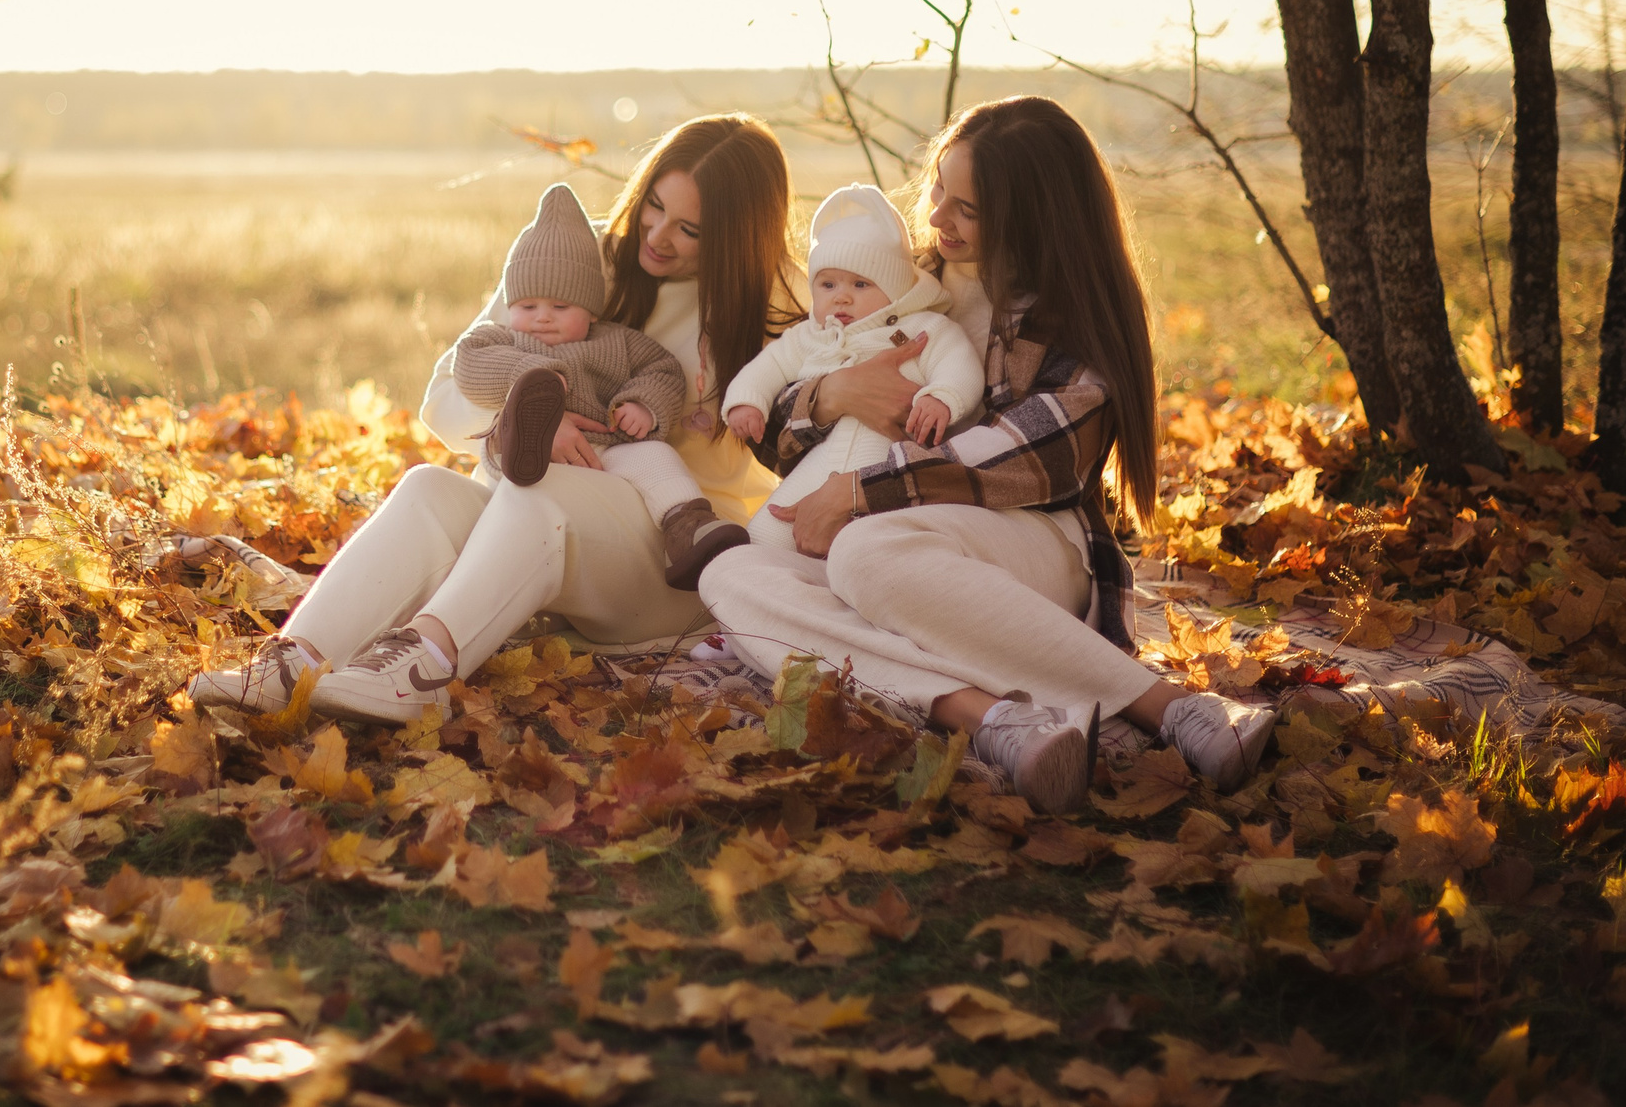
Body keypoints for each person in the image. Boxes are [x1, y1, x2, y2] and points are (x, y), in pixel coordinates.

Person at [699, 97, 1274, 814]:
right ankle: (996, 720)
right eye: (938, 188)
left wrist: (858, 491)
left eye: (965, 207)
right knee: (732, 571)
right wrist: (835, 393)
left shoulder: (1066, 313)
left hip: (1028, 538)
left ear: (1030, 218)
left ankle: (1174, 709)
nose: (936, 218)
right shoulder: (909, 283)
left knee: (862, 552)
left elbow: (1023, 455)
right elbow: (777, 431)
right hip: (898, 531)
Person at [191, 114, 798, 725]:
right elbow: (445, 394)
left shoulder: (777, 305)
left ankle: (424, 665)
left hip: (672, 562)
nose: (658, 235)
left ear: (735, 238)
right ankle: (294, 662)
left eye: (689, 229)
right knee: (429, 487)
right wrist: (532, 414)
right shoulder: (572, 257)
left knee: (544, 495)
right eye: (654, 205)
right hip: (528, 520)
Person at [449, 184, 748, 572]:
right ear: (509, 307)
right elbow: (468, 361)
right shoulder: (504, 339)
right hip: (533, 449)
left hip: (608, 449)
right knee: (512, 460)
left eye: (560, 306)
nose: (543, 317)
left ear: (591, 311)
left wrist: (643, 404)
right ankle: (526, 434)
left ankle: (686, 525)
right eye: (527, 305)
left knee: (656, 457)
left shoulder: (614, 341)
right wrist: (529, 378)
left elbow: (663, 369)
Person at [721, 183, 984, 556]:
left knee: (859, 553)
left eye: (861, 284)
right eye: (828, 284)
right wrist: (746, 402)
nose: (841, 296)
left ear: (894, 290)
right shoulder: (810, 335)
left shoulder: (923, 327)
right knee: (763, 536)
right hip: (821, 463)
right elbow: (770, 365)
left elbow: (959, 364)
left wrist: (943, 397)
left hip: (888, 467)